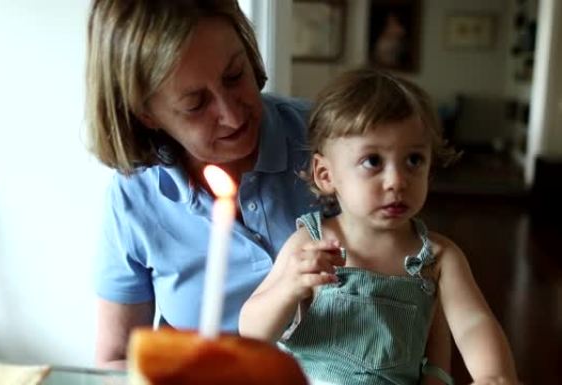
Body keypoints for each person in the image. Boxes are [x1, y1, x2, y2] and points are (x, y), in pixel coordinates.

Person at [85, 0, 450, 371]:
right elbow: (116, 357)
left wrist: (436, 374)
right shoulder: (135, 197)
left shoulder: (336, 142)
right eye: (195, 104)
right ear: (145, 113)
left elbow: (424, 281)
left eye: (234, 76)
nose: (231, 114)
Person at [239, 69, 519, 385]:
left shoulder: (438, 257)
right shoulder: (310, 242)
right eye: (372, 161)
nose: (397, 181)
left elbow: (472, 323)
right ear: (326, 175)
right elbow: (251, 331)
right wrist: (288, 288)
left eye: (413, 160)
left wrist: (494, 375)